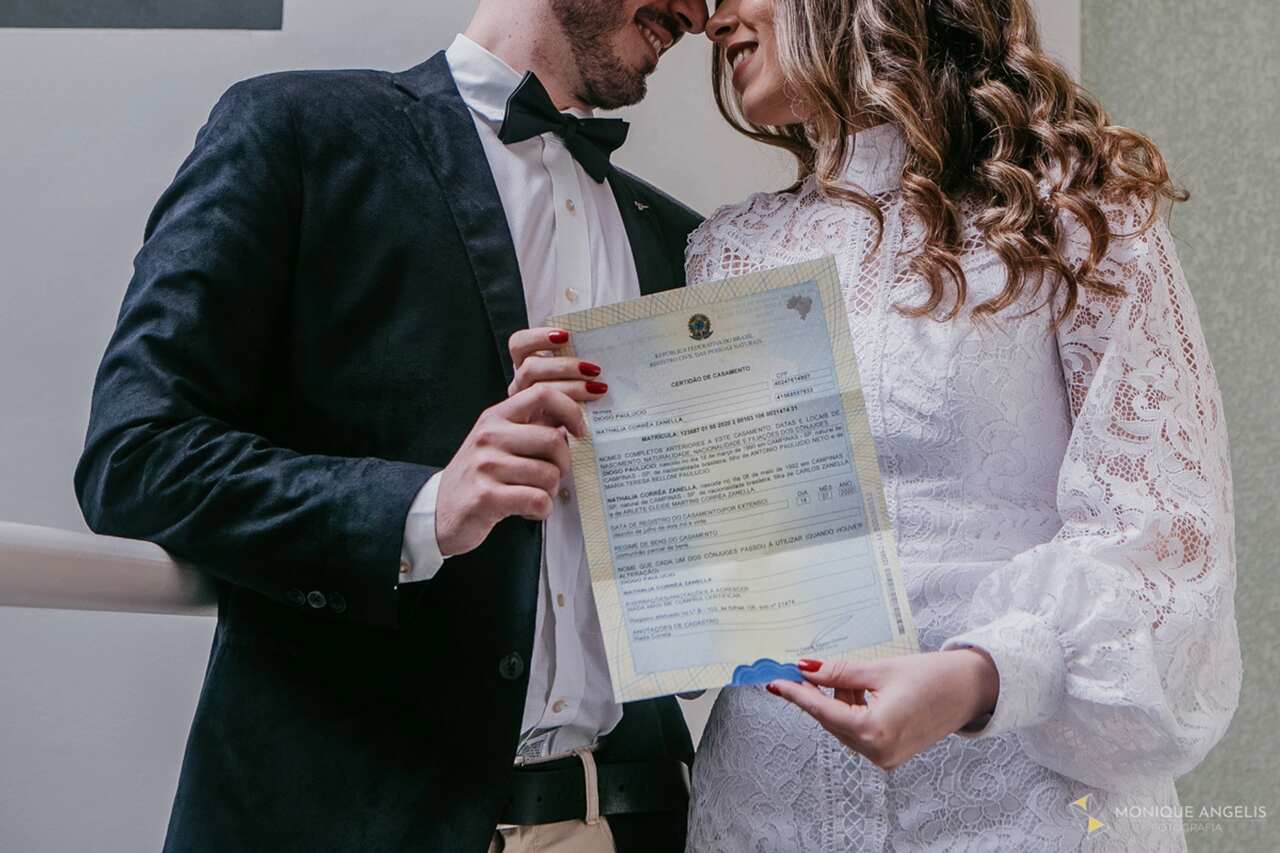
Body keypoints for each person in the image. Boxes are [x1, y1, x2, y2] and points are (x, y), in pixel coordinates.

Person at [73, 1, 711, 851]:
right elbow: (134, 452)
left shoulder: (679, 240)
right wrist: (421, 510)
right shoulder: (294, 130)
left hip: (633, 819)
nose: (700, 14)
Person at [679, 0, 1240, 849]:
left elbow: (1168, 536)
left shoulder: (1078, 213)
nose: (714, 17)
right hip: (769, 806)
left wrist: (983, 676)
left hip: (1022, 803)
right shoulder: (724, 253)